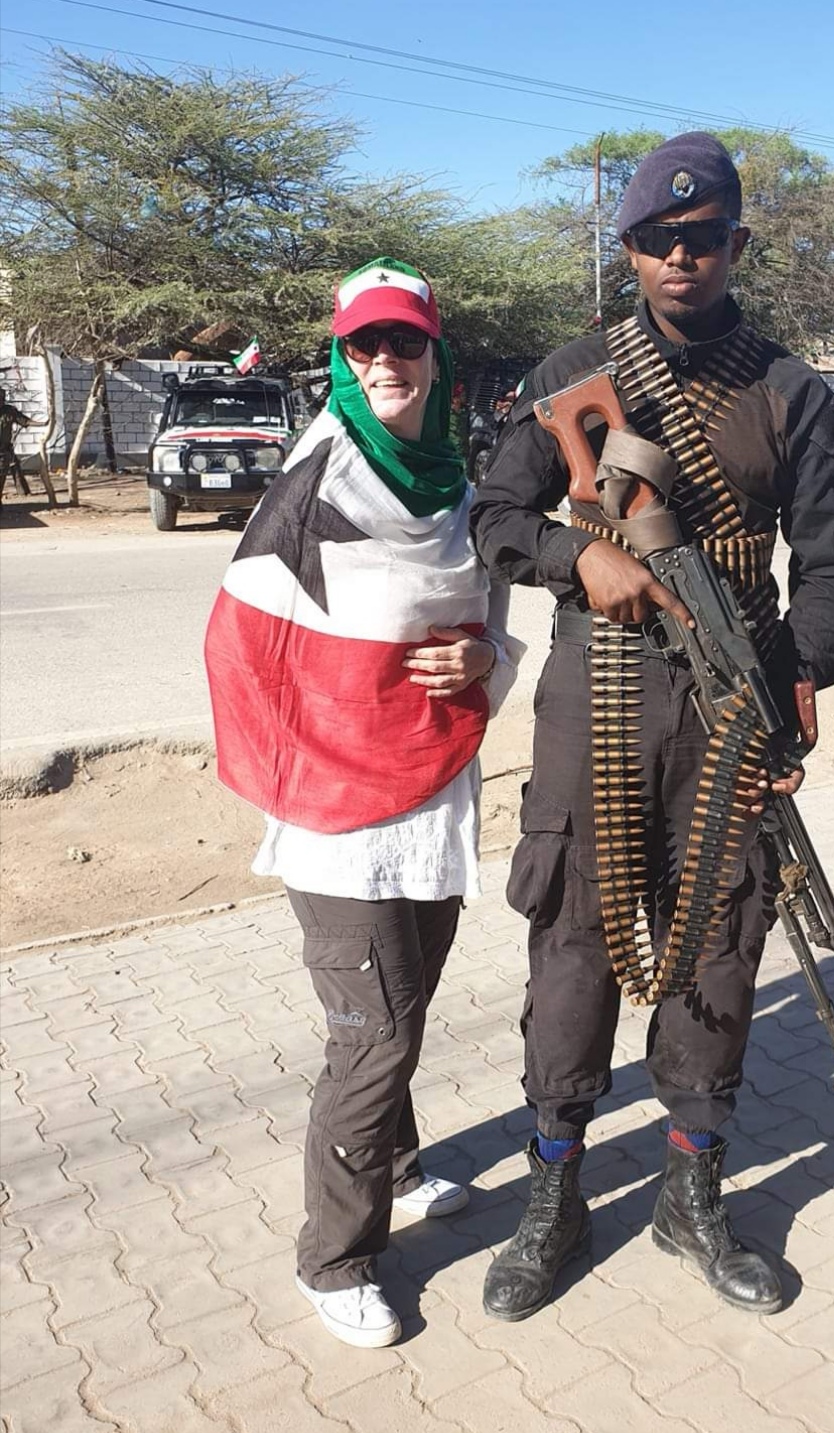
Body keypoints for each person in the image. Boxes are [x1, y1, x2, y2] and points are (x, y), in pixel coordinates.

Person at [471, 133, 834, 1323]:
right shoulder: (576, 370)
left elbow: (832, 570)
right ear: (629, 249)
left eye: (704, 238)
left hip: (726, 706)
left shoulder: (792, 391)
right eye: (657, 239)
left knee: (721, 940)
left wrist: (793, 676)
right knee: (576, 940)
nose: (681, 256)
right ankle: (558, 1189)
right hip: (597, 689)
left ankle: (691, 1191)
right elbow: (492, 510)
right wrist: (575, 551)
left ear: (737, 244)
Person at [204, 257, 522, 1349]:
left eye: (404, 342)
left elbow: (493, 626)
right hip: (338, 811)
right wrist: (348, 708)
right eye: (362, 345)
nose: (384, 360)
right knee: (373, 1037)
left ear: (437, 354)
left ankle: (397, 1161)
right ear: (340, 358)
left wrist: (480, 660)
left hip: (431, 790)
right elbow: (254, 647)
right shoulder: (314, 483)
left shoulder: (456, 482)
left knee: (404, 1008)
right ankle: (333, 1254)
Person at [0, 387, 34, 499]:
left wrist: (43, 423)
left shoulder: (9, 411)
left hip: (3, 452)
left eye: (2, 397)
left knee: (1, 477)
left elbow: (25, 421)